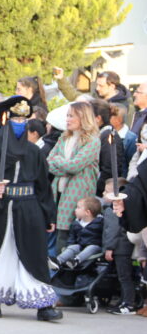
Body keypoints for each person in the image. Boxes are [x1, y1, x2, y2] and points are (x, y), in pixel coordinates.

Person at [0, 96, 62, 321]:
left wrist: (49, 213)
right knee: (1, 252)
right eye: (15, 119)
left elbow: (43, 186)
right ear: (7, 120)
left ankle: (43, 306)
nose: (20, 123)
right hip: (2, 211)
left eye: (24, 119)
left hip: (30, 210)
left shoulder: (34, 152)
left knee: (34, 255)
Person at [47, 102, 100, 253]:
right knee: (55, 233)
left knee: (67, 237)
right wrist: (66, 167)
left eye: (71, 116)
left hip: (77, 196)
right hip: (57, 192)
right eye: (67, 116)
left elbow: (74, 166)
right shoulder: (63, 138)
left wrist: (60, 162)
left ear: (83, 118)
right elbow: (48, 162)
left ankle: (62, 272)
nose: (67, 119)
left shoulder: (92, 141)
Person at [101, 178, 137, 315]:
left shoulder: (114, 210)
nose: (104, 193)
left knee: (124, 276)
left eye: (107, 191)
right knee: (123, 276)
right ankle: (123, 301)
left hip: (120, 247)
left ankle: (129, 303)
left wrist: (109, 247)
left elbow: (113, 231)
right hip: (122, 246)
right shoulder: (112, 209)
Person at [52, 197, 104, 268]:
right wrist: (69, 246)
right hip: (80, 245)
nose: (75, 210)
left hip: (95, 247)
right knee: (73, 247)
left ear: (87, 212)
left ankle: (75, 261)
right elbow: (72, 237)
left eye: (78, 208)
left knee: (92, 247)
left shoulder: (100, 223)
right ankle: (58, 261)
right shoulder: (76, 223)